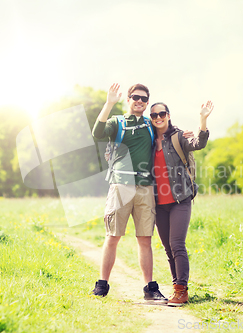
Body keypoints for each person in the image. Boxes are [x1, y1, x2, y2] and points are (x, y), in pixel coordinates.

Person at [91, 83, 167, 302]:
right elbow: (97, 133)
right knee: (113, 236)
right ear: (129, 99)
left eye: (143, 98)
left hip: (145, 187)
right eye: (135, 97)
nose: (139, 101)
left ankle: (149, 289)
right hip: (120, 186)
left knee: (145, 239)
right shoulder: (118, 122)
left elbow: (169, 131)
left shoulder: (150, 124)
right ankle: (102, 285)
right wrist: (108, 103)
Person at [150, 100, 213, 306]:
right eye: (154, 115)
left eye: (162, 113)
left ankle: (181, 291)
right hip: (159, 202)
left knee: (177, 244)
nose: (158, 117)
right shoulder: (149, 141)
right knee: (168, 248)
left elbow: (199, 144)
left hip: (180, 199)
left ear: (168, 115)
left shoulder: (178, 137)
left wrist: (202, 120)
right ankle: (176, 287)